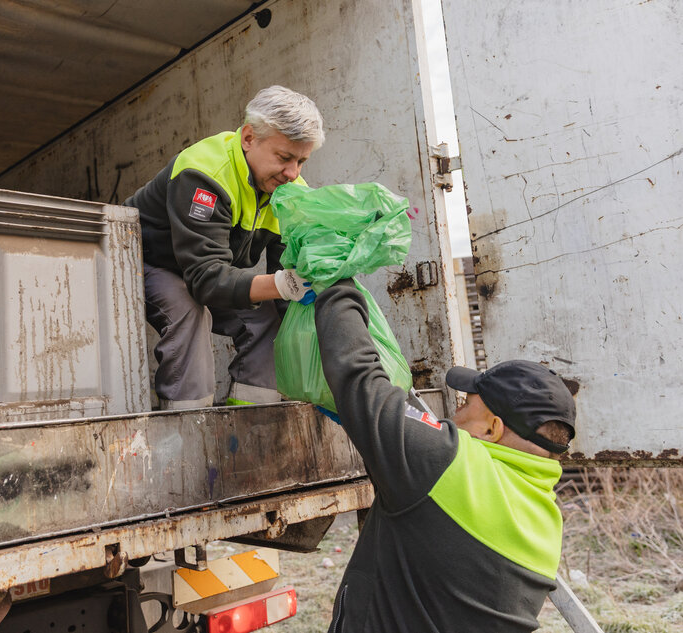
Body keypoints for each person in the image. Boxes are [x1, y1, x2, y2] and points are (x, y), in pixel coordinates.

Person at [313, 278, 577, 633]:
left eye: (467, 404)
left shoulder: (448, 465)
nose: (454, 412)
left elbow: (357, 378)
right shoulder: (544, 521)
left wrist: (334, 279)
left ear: (492, 429)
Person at [126, 85, 324, 410]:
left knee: (269, 317)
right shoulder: (204, 174)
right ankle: (188, 428)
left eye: (302, 161)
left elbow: (289, 283)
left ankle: (250, 424)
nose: (293, 173)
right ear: (248, 139)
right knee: (188, 312)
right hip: (147, 263)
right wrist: (280, 284)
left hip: (208, 271)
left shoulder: (291, 192)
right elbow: (205, 281)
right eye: (284, 157)